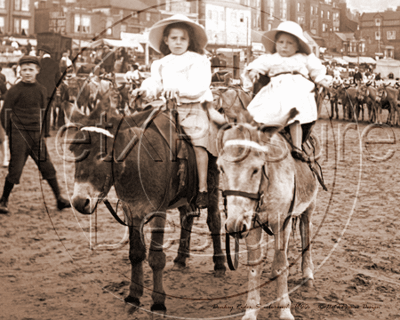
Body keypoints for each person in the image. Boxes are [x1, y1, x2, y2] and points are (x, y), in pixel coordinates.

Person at [132, 14, 221, 209]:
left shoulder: (199, 61)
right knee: (145, 136)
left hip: (193, 107)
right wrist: (144, 90)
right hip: (168, 109)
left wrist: (178, 90)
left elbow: (200, 86)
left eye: (183, 38)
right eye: (174, 38)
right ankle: (150, 181)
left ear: (189, 41)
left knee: (199, 144)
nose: (178, 42)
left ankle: (203, 189)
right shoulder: (161, 63)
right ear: (166, 40)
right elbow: (154, 83)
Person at [242, 21, 332, 162]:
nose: (284, 46)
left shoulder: (304, 58)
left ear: (297, 46)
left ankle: (297, 147)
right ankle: (257, 143)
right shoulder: (270, 58)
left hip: (297, 89)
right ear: (275, 43)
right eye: (281, 42)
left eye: (290, 43)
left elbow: (316, 70)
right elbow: (258, 65)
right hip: (276, 89)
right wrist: (254, 72)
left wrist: (322, 79)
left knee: (294, 115)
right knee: (259, 113)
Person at [0, 55, 71, 214]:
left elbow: (44, 113)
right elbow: (4, 113)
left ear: (37, 71)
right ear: (19, 71)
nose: (27, 73)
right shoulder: (14, 91)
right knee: (15, 169)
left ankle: (59, 198)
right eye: (24, 69)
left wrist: (43, 133)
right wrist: (11, 131)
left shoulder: (42, 90)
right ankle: (3, 200)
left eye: (30, 69)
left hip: (36, 137)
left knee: (48, 168)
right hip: (19, 137)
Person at [36, 45, 61, 138]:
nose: (39, 53)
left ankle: (39, 131)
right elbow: (58, 79)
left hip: (39, 91)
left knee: (39, 111)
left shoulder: (38, 63)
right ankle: (46, 132)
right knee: (48, 111)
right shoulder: (55, 64)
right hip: (50, 92)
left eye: (40, 52)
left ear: (42, 52)